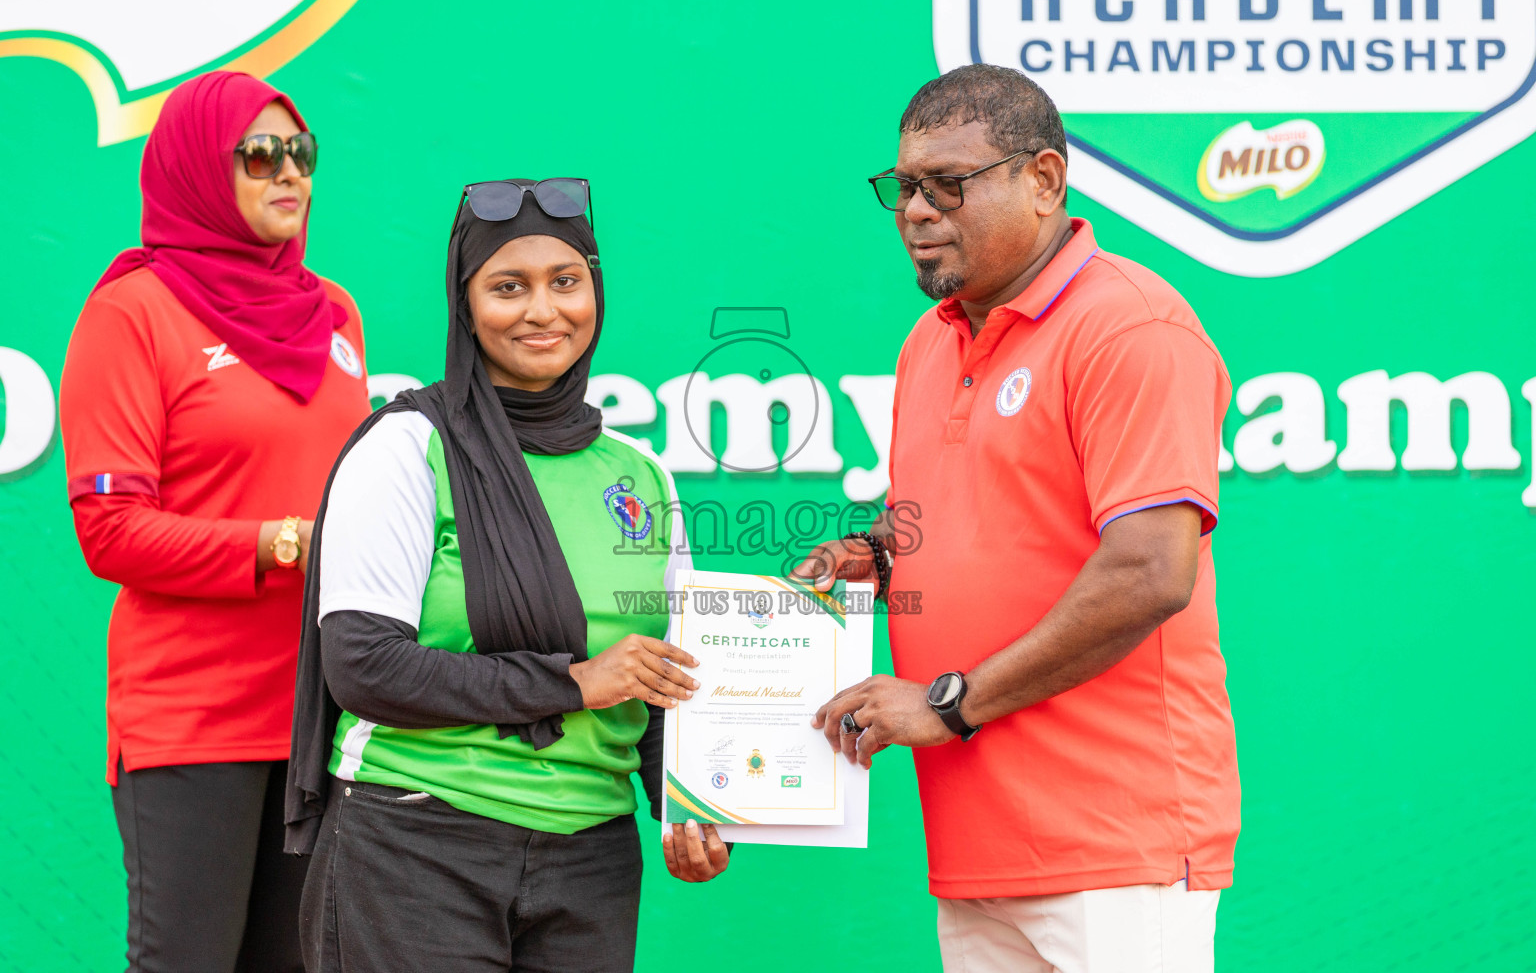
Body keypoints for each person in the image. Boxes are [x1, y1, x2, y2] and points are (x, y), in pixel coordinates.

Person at [795, 64, 1240, 972]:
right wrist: (872, 560)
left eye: (947, 185)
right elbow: (950, 526)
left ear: (1043, 180)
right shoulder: (931, 341)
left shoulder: (1129, 327)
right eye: (904, 188)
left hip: (1119, 846)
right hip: (976, 848)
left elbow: (1151, 571)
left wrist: (948, 705)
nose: (916, 212)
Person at [286, 178, 730, 973]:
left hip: (590, 860)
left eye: (566, 282)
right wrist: (572, 682)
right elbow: (364, 668)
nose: (542, 311)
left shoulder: (642, 474)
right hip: (417, 844)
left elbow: (662, 678)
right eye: (507, 287)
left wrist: (684, 808)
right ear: (465, 304)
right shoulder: (405, 449)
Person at [59, 70, 371, 973]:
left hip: (323, 713)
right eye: (259, 154)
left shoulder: (334, 312)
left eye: (300, 152)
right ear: (201, 167)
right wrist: (284, 544)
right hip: (194, 716)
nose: (289, 174)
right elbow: (111, 530)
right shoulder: (134, 313)